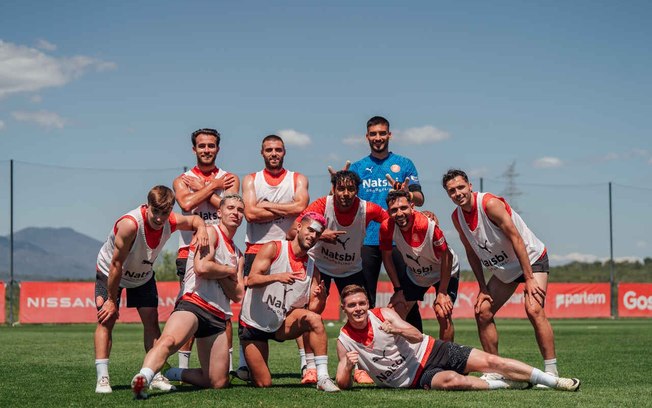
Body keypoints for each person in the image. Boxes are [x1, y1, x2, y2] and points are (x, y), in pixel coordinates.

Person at [335, 285, 580, 392]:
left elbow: (417, 335)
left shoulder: (383, 314)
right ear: (343, 308)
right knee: (453, 381)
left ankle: (554, 381)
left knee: (493, 362)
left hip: (433, 350)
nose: (358, 309)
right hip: (416, 378)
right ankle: (505, 384)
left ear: (368, 303)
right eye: (352, 305)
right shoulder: (344, 341)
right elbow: (344, 384)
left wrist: (396, 329)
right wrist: (346, 365)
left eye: (361, 303)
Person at [442, 169, 559, 382]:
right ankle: (495, 370)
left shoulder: (489, 204)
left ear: (469, 186)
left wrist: (529, 278)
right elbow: (471, 252)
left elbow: (516, 238)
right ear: (448, 195)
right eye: (452, 191)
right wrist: (483, 288)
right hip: (505, 268)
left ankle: (551, 370)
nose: (458, 193)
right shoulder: (457, 218)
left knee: (533, 309)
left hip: (531, 259)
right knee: (483, 311)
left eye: (460, 187)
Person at [94, 185, 208, 393]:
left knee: (151, 322)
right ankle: (103, 378)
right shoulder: (130, 225)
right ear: (147, 206)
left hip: (142, 275)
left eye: (164, 213)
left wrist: (201, 229)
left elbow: (195, 220)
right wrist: (111, 299)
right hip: (110, 272)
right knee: (107, 319)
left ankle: (155, 374)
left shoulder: (170, 221)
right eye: (155, 212)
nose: (159, 218)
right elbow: (115, 265)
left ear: (170, 210)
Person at [131, 194, 245, 399]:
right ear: (219, 212)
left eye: (240, 210)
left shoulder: (239, 253)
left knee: (218, 382)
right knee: (169, 341)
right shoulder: (210, 232)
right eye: (230, 208)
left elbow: (238, 294)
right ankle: (143, 378)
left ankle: (171, 372)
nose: (235, 213)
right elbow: (202, 267)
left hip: (218, 316)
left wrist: (221, 272)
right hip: (194, 304)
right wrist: (228, 270)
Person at [297, 170, 387, 384]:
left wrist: (422, 214)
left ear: (357, 190)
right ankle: (309, 367)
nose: (345, 193)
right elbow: (297, 230)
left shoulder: (368, 209)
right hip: (320, 265)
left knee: (361, 315)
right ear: (334, 189)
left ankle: (360, 368)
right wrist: (321, 233)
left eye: (351, 189)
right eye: (341, 188)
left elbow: (393, 219)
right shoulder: (322, 205)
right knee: (312, 312)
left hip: (350, 268)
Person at [238, 212, 340, 392]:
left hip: (282, 324)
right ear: (299, 227)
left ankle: (322, 376)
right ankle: (247, 367)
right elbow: (251, 280)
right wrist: (278, 277)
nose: (313, 236)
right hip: (254, 323)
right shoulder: (274, 248)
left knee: (314, 320)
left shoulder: (312, 267)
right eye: (310, 230)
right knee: (263, 383)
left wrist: (321, 299)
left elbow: (313, 311)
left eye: (318, 233)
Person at [238, 134, 309, 379]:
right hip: (256, 247)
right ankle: (244, 364)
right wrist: (285, 208)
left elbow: (301, 208)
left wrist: (265, 206)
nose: (274, 153)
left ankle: (306, 364)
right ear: (262, 153)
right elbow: (250, 213)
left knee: (296, 304)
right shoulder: (251, 179)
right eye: (269, 150)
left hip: (288, 249)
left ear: (284, 152)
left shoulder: (297, 178)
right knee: (250, 307)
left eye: (278, 149)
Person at [173, 128, 239, 370]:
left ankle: (228, 367)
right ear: (194, 149)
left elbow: (231, 207)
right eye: (202, 146)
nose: (206, 150)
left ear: (218, 149)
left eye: (211, 146)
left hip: (221, 251)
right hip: (189, 252)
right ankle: (182, 367)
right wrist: (213, 187)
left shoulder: (229, 178)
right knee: (189, 310)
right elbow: (186, 203)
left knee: (224, 311)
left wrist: (204, 186)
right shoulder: (182, 180)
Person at [349, 115, 424, 328]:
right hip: (366, 240)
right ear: (367, 137)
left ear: (389, 135)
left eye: (382, 133)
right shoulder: (358, 167)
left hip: (399, 239)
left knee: (408, 296)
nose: (378, 137)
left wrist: (406, 192)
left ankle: (417, 351)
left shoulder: (404, 164)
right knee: (364, 299)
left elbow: (419, 198)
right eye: (373, 134)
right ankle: (367, 351)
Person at [380, 189, 460, 340]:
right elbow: (387, 256)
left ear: (412, 206)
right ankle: (407, 358)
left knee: (443, 312)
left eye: (403, 208)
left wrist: (442, 292)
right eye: (394, 210)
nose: (399, 213)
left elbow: (446, 256)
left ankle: (445, 360)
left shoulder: (425, 225)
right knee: (395, 312)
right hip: (417, 274)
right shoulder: (386, 227)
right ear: (388, 212)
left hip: (443, 270)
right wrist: (398, 289)